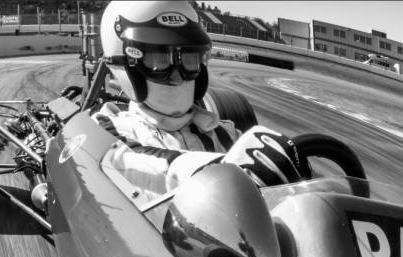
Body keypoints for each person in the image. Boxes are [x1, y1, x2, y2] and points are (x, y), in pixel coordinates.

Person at [94, 0, 308, 197]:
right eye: (158, 60)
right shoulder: (107, 128)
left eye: (188, 59)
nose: (177, 77)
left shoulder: (227, 133)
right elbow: (129, 163)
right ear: (124, 64)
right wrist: (228, 172)